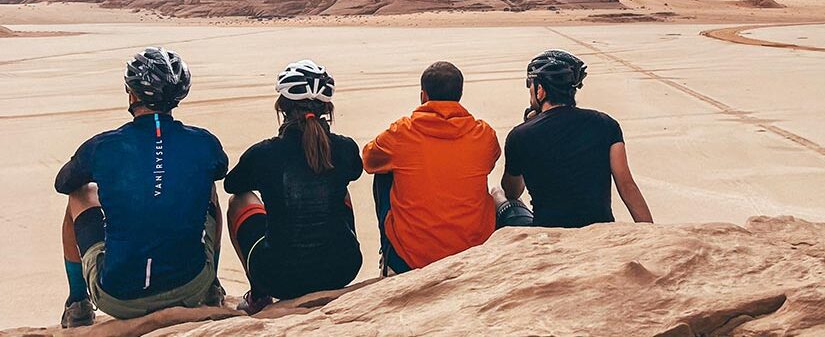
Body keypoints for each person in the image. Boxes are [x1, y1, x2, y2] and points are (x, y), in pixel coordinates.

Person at [55, 48, 228, 328]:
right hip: (190, 286)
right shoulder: (205, 142)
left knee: (79, 194)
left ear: (131, 92)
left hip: (118, 298)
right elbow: (220, 169)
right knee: (208, 187)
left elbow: (63, 183)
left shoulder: (102, 146)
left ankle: (78, 303)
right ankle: (212, 286)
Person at [224, 60, 363, 315]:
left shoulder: (264, 153)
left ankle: (259, 296)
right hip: (341, 269)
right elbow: (355, 171)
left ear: (283, 107)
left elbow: (232, 185)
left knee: (238, 201)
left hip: (279, 278)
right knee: (341, 190)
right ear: (327, 108)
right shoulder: (345, 148)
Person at [362, 61, 503, 275]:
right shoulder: (484, 134)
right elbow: (491, 161)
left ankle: (389, 261)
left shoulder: (401, 133)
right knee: (474, 171)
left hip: (412, 257)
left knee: (384, 173)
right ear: (460, 94)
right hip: (472, 248)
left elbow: (368, 160)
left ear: (423, 96)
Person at [501, 49, 654, 228]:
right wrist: (651, 234)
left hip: (549, 232)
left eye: (531, 86)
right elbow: (627, 186)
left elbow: (512, 191)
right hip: (599, 229)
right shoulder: (606, 124)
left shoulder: (520, 135)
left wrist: (526, 130)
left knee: (498, 195)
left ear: (540, 91)